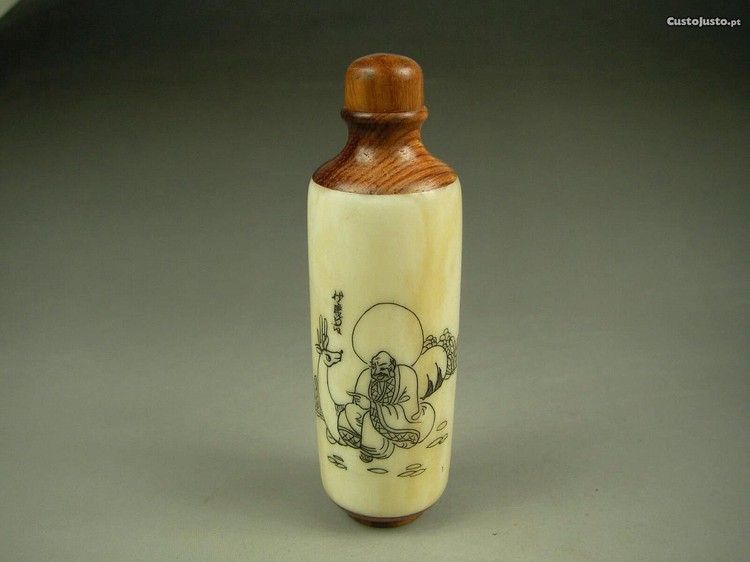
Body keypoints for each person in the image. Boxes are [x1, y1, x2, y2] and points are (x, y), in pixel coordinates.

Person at [338, 350, 435, 462]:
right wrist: (362, 405)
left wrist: (371, 406)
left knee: (368, 419)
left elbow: (409, 410)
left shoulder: (407, 375)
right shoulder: (365, 375)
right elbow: (358, 405)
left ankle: (374, 449)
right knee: (347, 412)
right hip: (370, 420)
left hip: (398, 424)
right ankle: (364, 441)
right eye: (374, 367)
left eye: (383, 368)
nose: (377, 371)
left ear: (392, 368)